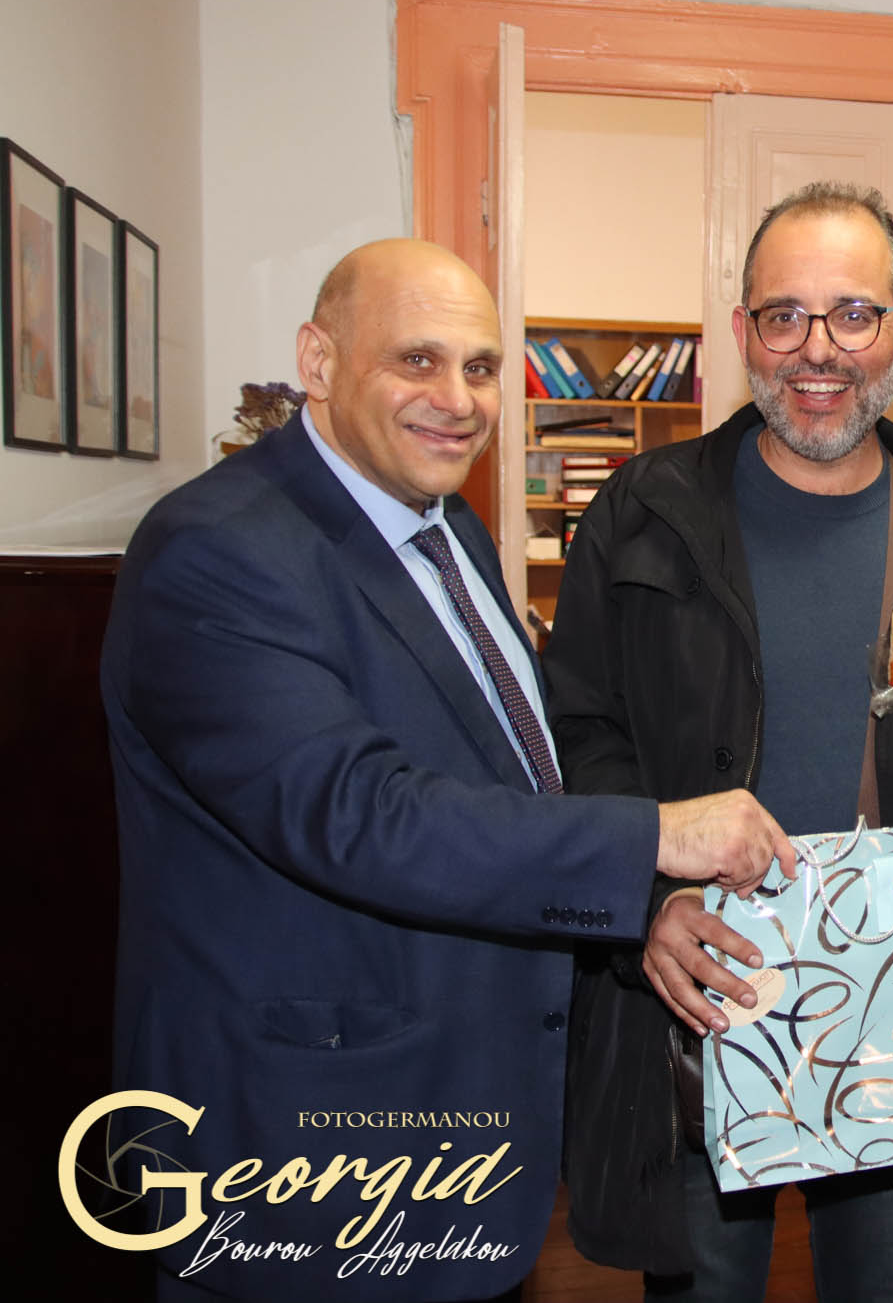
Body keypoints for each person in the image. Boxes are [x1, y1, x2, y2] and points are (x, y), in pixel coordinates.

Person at [101, 239, 793, 1303]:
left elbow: (514, 759)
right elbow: (355, 812)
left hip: (448, 1121)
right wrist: (655, 836)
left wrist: (641, 897)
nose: (458, 401)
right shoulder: (216, 549)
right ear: (318, 362)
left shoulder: (446, 524)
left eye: (480, 368)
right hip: (304, 1142)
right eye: (416, 361)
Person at [542, 182, 893, 1303]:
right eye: (785, 315)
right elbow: (577, 734)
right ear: (743, 334)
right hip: (701, 976)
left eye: (853, 314)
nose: (817, 349)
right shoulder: (641, 512)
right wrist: (646, 899)